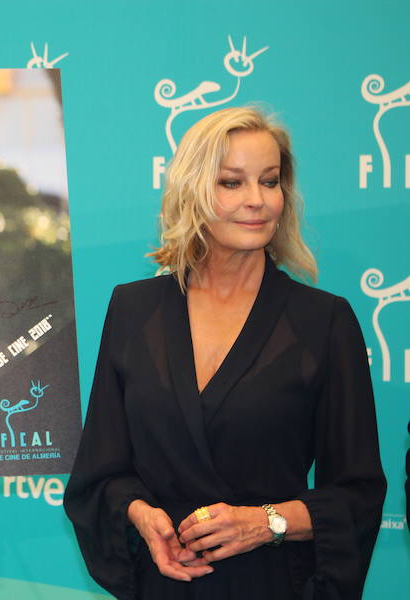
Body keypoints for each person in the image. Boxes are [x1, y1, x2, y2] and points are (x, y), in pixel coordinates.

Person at [63, 107, 386, 599]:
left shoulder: (323, 321)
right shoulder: (133, 308)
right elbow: (100, 473)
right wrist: (141, 516)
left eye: (270, 181)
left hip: (273, 583)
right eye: (232, 183)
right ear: (193, 190)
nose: (258, 201)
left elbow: (357, 495)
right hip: (166, 582)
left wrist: (265, 522)